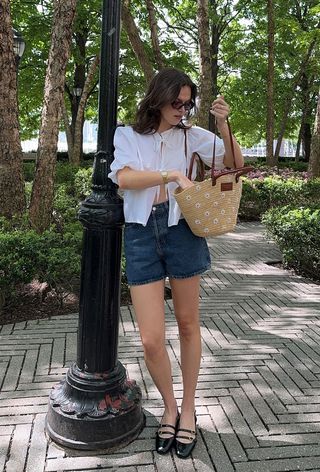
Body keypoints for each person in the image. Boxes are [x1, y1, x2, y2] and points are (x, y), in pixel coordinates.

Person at [108, 68, 244, 459]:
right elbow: (125, 179)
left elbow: (233, 164)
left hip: (183, 229)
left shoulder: (193, 135)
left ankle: (186, 411)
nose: (182, 110)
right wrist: (170, 174)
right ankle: (168, 405)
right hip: (140, 233)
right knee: (151, 338)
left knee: (187, 323)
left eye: (188, 104)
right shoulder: (128, 135)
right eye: (176, 102)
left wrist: (224, 123)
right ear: (158, 97)